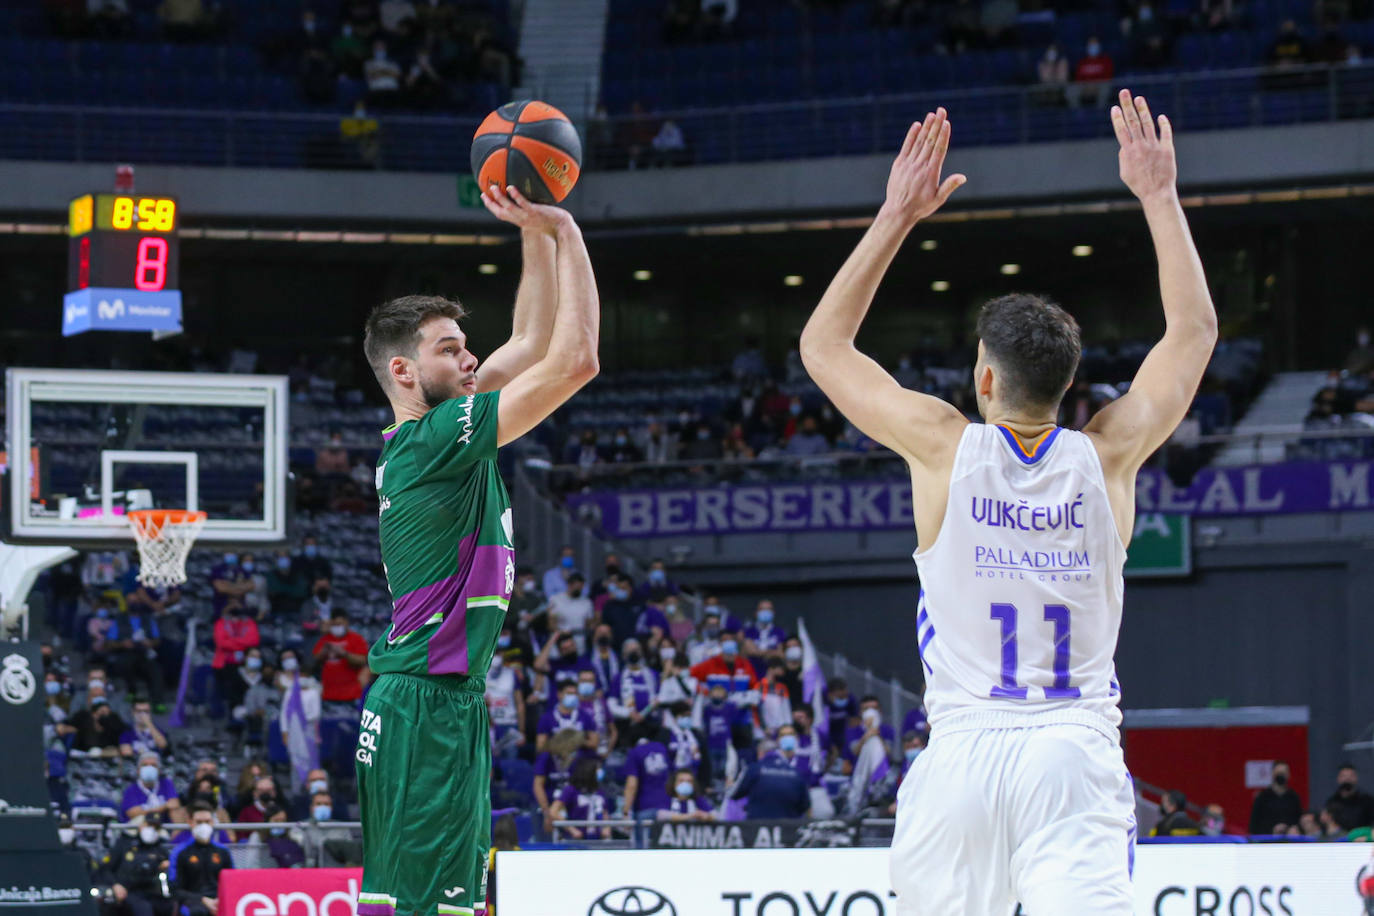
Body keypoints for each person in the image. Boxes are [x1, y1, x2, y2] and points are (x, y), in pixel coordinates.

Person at [801, 97, 1216, 914]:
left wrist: (896, 214)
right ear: (1068, 385)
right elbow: (1194, 333)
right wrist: (1159, 196)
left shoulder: (942, 445)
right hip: (1072, 750)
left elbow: (824, 347)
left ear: (984, 380)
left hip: (962, 758)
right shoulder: (1110, 454)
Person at [357, 185, 600, 916]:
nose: (471, 360)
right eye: (450, 349)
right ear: (403, 372)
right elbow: (574, 359)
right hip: (426, 704)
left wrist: (531, 232)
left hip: (440, 701)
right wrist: (566, 229)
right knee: (424, 908)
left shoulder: (439, 435)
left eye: (467, 347)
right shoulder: (437, 438)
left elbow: (527, 343)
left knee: (434, 903)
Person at [173, 804, 233, 916]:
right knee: (198, 912)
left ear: (213, 822)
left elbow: (232, 882)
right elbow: (176, 890)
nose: (204, 826)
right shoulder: (180, 852)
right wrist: (202, 899)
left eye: (207, 821)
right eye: (199, 822)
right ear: (191, 822)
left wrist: (218, 900)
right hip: (193, 901)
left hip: (219, 899)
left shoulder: (223, 852)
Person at [110, 813, 173, 916]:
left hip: (151, 891)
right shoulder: (125, 845)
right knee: (143, 909)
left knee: (168, 906)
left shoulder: (161, 851)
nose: (151, 830)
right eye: (148, 825)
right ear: (141, 825)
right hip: (128, 890)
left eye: (155, 828)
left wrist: (164, 868)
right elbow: (107, 869)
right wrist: (115, 884)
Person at [731, 741, 811, 819]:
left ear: (761, 753)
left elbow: (733, 794)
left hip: (757, 827)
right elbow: (805, 805)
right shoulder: (796, 772)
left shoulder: (753, 769)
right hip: (789, 828)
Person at [313, 610, 369, 703]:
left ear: (346, 623)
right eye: (334, 624)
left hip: (351, 694)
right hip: (328, 694)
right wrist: (324, 652)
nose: (337, 627)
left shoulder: (356, 639)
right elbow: (314, 660)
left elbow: (362, 661)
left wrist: (344, 654)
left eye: (339, 624)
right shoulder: (325, 639)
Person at [548, 757, 613, 838]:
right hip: (575, 840)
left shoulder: (599, 791)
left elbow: (605, 813)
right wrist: (571, 829)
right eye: (597, 770)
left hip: (596, 840)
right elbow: (553, 811)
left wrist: (607, 828)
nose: (600, 773)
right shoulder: (571, 790)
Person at [121, 751, 183, 824]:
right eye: (145, 765)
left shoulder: (166, 783)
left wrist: (145, 811)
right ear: (138, 770)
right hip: (140, 830)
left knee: (176, 811)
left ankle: (179, 835)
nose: (149, 768)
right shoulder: (131, 789)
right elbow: (133, 813)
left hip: (164, 826)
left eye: (153, 765)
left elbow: (175, 804)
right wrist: (164, 806)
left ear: (159, 770)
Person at [1249, 760, 1304, 835]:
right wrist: (1272, 831)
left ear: (1289, 775)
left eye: (1283, 773)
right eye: (1278, 773)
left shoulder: (1294, 798)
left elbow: (1300, 822)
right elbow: (1253, 826)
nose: (1281, 776)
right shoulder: (1262, 797)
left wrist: (1291, 830)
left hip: (1290, 842)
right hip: (1267, 843)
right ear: (1272, 774)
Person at [1325, 764, 1374, 831]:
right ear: (1338, 779)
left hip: (1361, 838)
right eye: (1344, 776)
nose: (1347, 779)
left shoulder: (1367, 801)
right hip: (1339, 839)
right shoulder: (1331, 803)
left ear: (1356, 778)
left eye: (1351, 776)